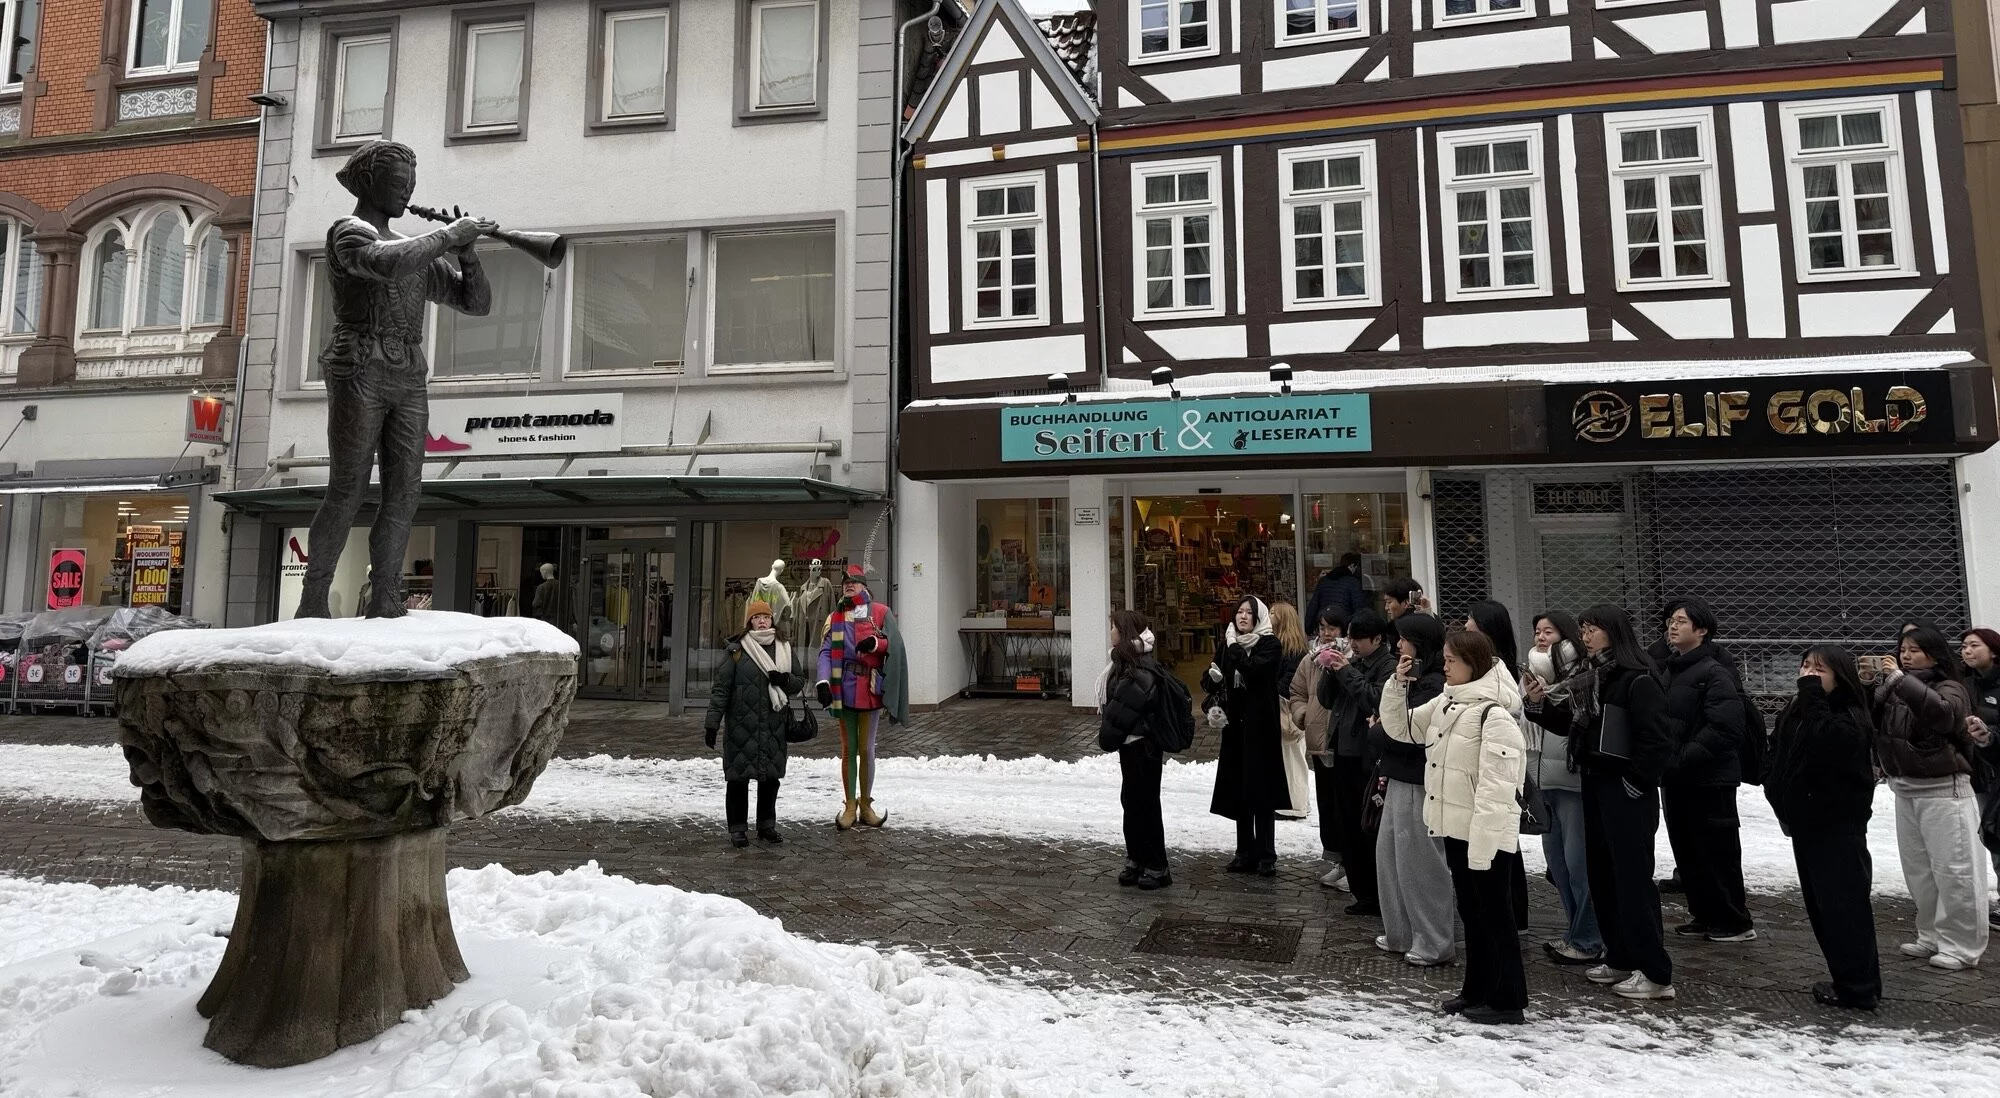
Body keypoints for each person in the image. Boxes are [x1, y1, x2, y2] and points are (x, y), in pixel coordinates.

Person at [296, 140, 494, 619]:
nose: (407, 191)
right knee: (348, 487)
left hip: (407, 372)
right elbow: (386, 263)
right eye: (399, 181)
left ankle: (386, 596)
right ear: (369, 183)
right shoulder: (349, 233)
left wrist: (468, 256)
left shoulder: (416, 249)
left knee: (405, 490)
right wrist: (447, 236)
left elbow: (476, 304)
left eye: (411, 182)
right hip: (359, 366)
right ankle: (314, 597)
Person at [1527, 604, 1676, 1001]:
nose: (1586, 636)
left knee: (1632, 880)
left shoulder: (1637, 678)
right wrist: (1538, 704)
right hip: (1595, 782)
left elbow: (1657, 740)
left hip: (1625, 789)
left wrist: (1636, 780)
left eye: (1593, 628)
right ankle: (1620, 955)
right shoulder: (1592, 677)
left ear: (1615, 632)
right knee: (1604, 876)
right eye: (1584, 628)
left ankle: (1655, 971)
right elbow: (1573, 724)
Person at [1384, 629, 1530, 1024]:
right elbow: (1403, 729)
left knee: (1495, 914)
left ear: (1472, 663)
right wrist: (1397, 685)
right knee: (1472, 912)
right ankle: (1477, 989)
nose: (1444, 666)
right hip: (1456, 828)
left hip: (1485, 835)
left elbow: (1496, 791)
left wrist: (1483, 847)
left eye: (1452, 660)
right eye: (1445, 659)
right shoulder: (1449, 701)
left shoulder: (1494, 715)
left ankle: (1507, 999)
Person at [1766, 646, 1881, 1010]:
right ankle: (1845, 978)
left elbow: (1827, 739)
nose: (1808, 675)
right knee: (1822, 908)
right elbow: (1780, 750)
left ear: (1839, 677)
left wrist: (1812, 694)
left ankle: (1859, 987)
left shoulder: (1847, 716)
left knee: (1844, 907)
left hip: (1837, 825)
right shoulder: (1799, 710)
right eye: (1805, 667)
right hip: (1805, 822)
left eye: (1819, 670)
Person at [1867, 625, 1988, 969]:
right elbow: (1872, 722)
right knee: (1919, 871)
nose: (1905, 656)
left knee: (1955, 870)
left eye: (1914, 650)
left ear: (1934, 655)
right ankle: (1932, 934)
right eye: (1903, 649)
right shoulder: (1894, 687)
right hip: (1905, 788)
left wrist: (1899, 681)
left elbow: (1943, 716)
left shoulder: (1950, 686)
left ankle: (1962, 945)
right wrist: (1867, 686)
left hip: (1944, 790)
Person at [1656, 598, 1755, 943]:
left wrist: (1683, 756)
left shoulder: (1715, 671)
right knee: (1689, 850)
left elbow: (1726, 727)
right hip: (1677, 778)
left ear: (1701, 630)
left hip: (1710, 779)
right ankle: (1705, 914)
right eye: (1671, 621)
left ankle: (1734, 921)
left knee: (1717, 851)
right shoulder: (1672, 669)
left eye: (1681, 621)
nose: (1672, 626)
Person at [1372, 613, 1457, 967]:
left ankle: (1433, 940)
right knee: (1391, 858)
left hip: (1419, 781)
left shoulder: (1434, 685)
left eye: (1404, 639)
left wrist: (1377, 730)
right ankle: (1401, 933)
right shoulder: (1410, 679)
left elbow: (1403, 734)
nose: (1398, 645)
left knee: (1420, 863)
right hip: (1399, 777)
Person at [1526, 610, 1601, 965]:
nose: (1541, 638)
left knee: (1578, 865)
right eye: (1538, 632)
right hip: (1543, 780)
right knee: (1558, 866)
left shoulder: (1582, 677)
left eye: (1550, 632)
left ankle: (1590, 939)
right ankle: (1575, 932)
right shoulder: (1532, 678)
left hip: (1573, 783)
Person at [815, 564, 910, 830]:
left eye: (854, 582)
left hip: (869, 689)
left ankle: (866, 804)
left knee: (867, 749)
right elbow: (825, 651)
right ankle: (849, 805)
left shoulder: (880, 612)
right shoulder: (835, 617)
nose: (849, 585)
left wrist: (876, 644)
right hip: (843, 689)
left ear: (864, 586)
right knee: (848, 749)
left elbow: (894, 645)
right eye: (845, 582)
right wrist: (823, 680)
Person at [703, 600, 803, 847]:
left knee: (770, 778)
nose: (761, 621)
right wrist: (712, 723)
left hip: (773, 725)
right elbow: (721, 689)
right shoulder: (737, 650)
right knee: (738, 779)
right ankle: (737, 829)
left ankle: (766, 826)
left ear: (772, 620)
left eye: (765, 617)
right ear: (749, 622)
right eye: (756, 617)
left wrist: (784, 680)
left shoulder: (783, 647)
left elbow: (799, 682)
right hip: (741, 725)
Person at [1316, 607, 1395, 914]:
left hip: (1367, 756)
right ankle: (1361, 891)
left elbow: (1375, 699)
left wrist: (1346, 670)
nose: (1353, 644)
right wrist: (1330, 670)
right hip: (1342, 751)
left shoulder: (1387, 667)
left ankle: (1375, 894)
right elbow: (1326, 700)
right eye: (1350, 638)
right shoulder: (1354, 662)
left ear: (1377, 639)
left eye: (1359, 639)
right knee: (1346, 823)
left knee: (1367, 826)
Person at [1207, 597, 1289, 876]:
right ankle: (1244, 852)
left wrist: (1233, 649)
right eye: (1239, 612)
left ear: (1258, 617)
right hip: (1235, 726)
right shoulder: (1227, 643)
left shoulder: (1269, 644)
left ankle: (1267, 854)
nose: (1242, 617)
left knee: (1262, 790)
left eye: (1248, 612)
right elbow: (1212, 678)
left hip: (1261, 727)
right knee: (1240, 788)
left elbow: (1254, 670)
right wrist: (1213, 678)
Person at [1465, 598, 1531, 931]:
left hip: (1498, 763)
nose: (1466, 625)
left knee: (1502, 839)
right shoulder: (1488, 664)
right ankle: (1511, 913)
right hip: (1488, 760)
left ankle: (1511, 913)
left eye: (1471, 620)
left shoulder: (1499, 670)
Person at [1098, 609, 1173, 891]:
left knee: (1145, 804)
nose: (1111, 632)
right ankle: (1137, 857)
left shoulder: (1139, 667)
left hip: (1143, 744)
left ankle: (1156, 864)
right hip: (1131, 744)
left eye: (1114, 627)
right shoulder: (1125, 661)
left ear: (1125, 631)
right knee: (1131, 802)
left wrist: (1107, 737)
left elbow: (1123, 708)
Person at [1291, 608, 1346, 874]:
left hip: (1344, 742)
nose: (1326, 633)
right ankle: (1335, 859)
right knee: (1326, 802)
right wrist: (1303, 715)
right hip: (1318, 741)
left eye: (1332, 628)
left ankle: (1350, 864)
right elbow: (1297, 692)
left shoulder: (1350, 658)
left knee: (1343, 803)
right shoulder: (1310, 659)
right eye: (1322, 627)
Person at [1959, 628, 2000, 930]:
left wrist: (1990, 737)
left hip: (1996, 767)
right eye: (1964, 646)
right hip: (1982, 773)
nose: (1967, 651)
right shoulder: (1964, 684)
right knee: (1994, 836)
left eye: (1975, 645)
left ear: (1994, 651)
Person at [1271, 601, 1314, 821]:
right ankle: (1294, 803)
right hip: (1289, 708)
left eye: (1273, 613)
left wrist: (1269, 691)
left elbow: (1290, 682)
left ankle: (1294, 805)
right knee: (1290, 757)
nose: (1268, 616)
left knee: (1292, 757)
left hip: (1288, 710)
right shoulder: (1289, 647)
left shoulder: (1292, 650)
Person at [1305, 552, 1368, 633]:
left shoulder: (1324, 581)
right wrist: (1359, 631)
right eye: (1356, 567)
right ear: (1352, 566)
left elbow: (1313, 607)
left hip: (1325, 624)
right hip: (1344, 627)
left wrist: (1308, 628)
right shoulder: (1354, 583)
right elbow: (1359, 609)